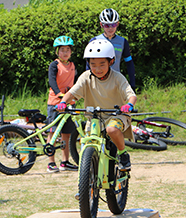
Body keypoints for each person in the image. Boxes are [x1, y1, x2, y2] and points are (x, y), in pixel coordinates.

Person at [56, 39, 137, 172]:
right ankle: (87, 185)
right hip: (94, 118)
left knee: (111, 130)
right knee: (86, 143)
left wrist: (129, 105)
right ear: (88, 63)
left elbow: (131, 95)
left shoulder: (117, 77)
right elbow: (72, 92)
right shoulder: (86, 77)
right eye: (93, 64)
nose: (97, 69)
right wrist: (63, 102)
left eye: (102, 64)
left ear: (111, 62)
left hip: (116, 116)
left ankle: (123, 154)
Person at [46, 36, 78, 173]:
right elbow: (52, 81)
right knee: (53, 132)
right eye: (62, 50)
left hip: (69, 102)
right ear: (57, 52)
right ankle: (50, 162)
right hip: (56, 102)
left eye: (67, 50)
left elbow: (75, 82)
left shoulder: (72, 65)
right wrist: (59, 94)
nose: (65, 53)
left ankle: (64, 162)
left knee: (67, 133)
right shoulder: (55, 65)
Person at [88, 8, 136, 90]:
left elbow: (129, 63)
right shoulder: (94, 41)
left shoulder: (122, 41)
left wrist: (132, 84)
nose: (110, 28)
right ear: (101, 25)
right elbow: (88, 65)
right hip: (99, 83)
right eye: (107, 25)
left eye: (113, 25)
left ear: (117, 24)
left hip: (116, 82)